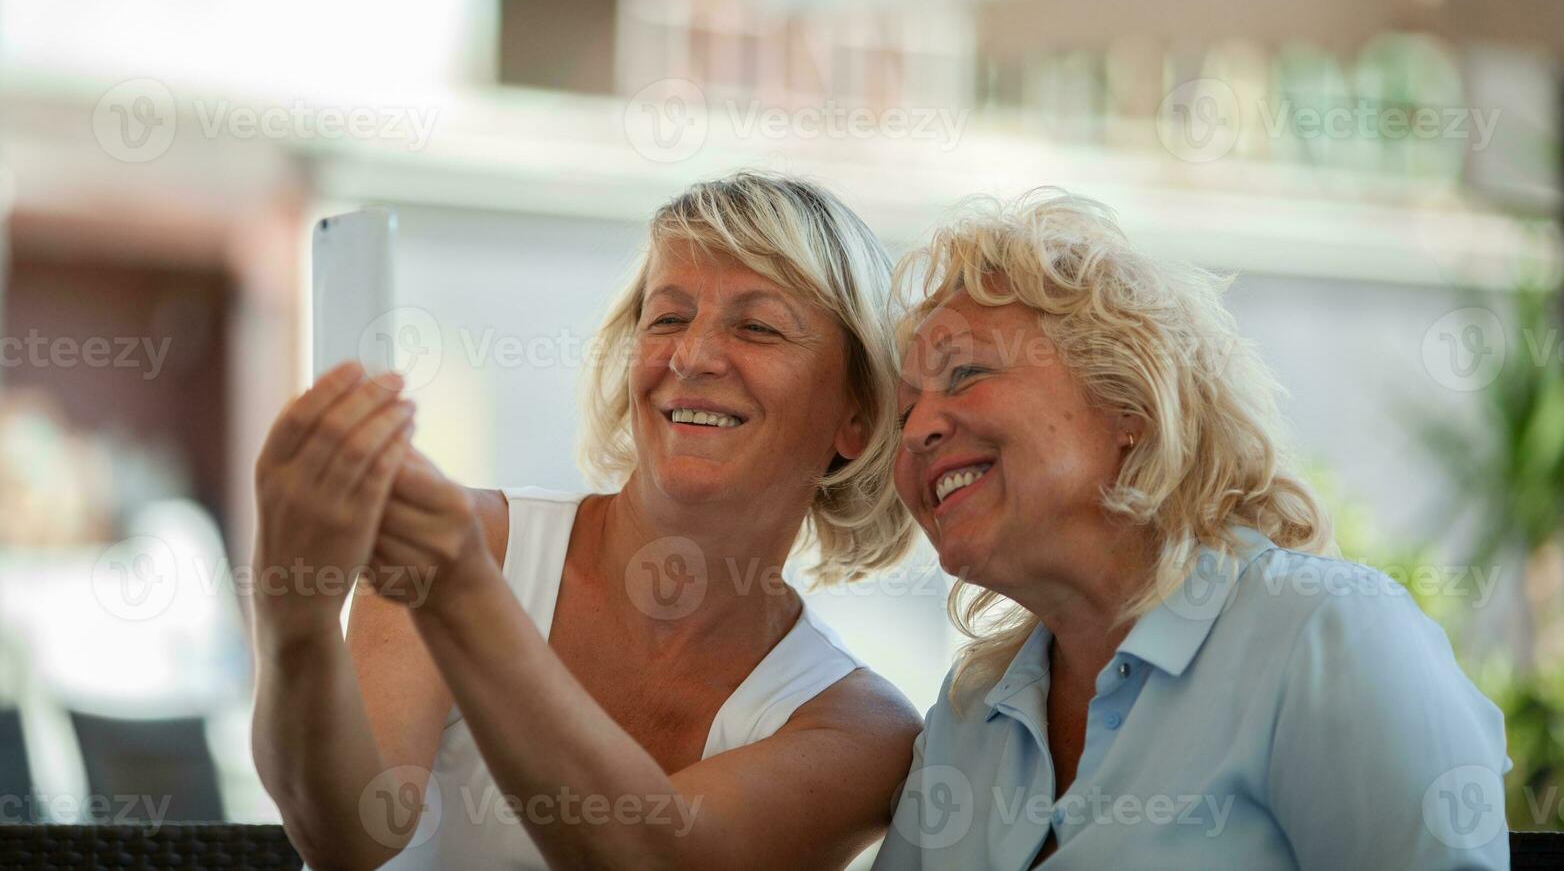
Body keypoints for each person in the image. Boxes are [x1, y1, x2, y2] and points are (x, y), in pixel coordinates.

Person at [250, 172, 922, 869]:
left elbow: (654, 858)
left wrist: (459, 591)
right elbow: (345, 835)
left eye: (757, 327)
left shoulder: (862, 727)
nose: (690, 357)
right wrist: (291, 611)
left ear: (859, 414)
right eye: (667, 318)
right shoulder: (475, 541)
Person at [873, 189, 1511, 869]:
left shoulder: (1326, 637)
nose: (915, 432)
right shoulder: (969, 715)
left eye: (965, 373)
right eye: (904, 411)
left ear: (1130, 404)